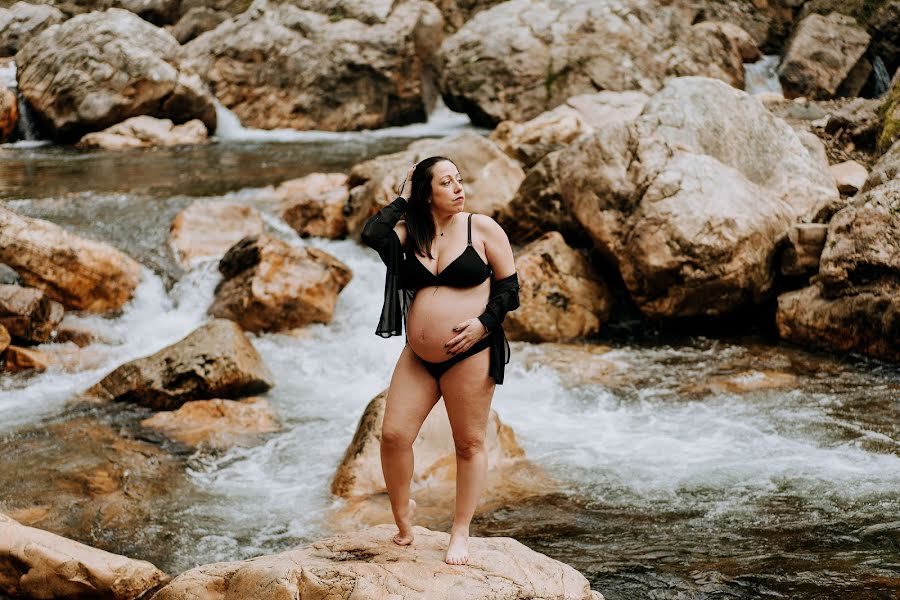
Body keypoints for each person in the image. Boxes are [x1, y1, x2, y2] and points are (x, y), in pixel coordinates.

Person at [360, 156, 520, 565]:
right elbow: (372, 233)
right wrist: (402, 198)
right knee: (394, 435)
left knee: (468, 444)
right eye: (446, 183)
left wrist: (484, 324)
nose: (458, 188)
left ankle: (461, 530)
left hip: (471, 351)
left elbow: (509, 288)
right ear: (426, 194)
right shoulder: (408, 234)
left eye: (459, 180)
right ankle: (403, 520)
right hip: (418, 355)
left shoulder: (481, 228)